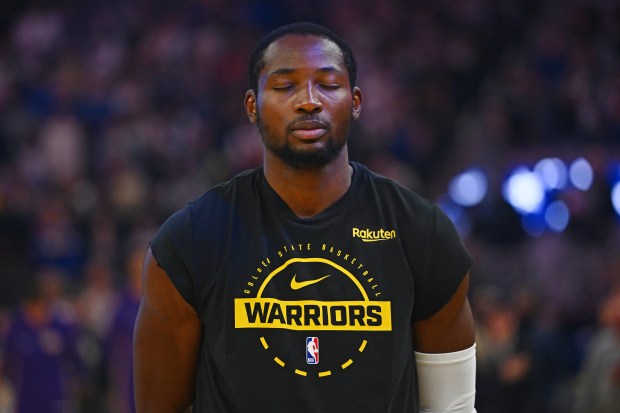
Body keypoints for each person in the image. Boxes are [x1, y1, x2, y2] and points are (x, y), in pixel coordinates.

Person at [133, 22, 476, 413]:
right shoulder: (188, 241)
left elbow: (453, 408)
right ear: (252, 106)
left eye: (329, 84)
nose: (308, 101)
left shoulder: (421, 232)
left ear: (356, 101)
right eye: (284, 87)